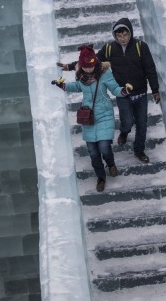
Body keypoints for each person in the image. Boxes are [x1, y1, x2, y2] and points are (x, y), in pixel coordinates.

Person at [58, 18, 160, 163]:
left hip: (141, 93)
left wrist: (155, 90)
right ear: (115, 36)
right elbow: (92, 61)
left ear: (130, 33)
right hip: (122, 94)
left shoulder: (141, 47)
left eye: (125, 35)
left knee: (142, 123)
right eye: (119, 36)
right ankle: (124, 131)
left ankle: (139, 150)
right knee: (126, 121)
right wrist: (70, 66)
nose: (122, 38)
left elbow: (150, 69)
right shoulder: (110, 48)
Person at [52, 45, 133, 192]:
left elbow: (114, 89)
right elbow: (76, 86)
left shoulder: (104, 74)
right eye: (85, 67)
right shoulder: (81, 76)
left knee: (103, 147)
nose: (88, 69)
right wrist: (63, 85)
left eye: (90, 66)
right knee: (93, 152)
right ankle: (101, 177)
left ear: (95, 62)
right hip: (88, 117)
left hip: (104, 115)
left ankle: (110, 163)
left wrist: (123, 91)